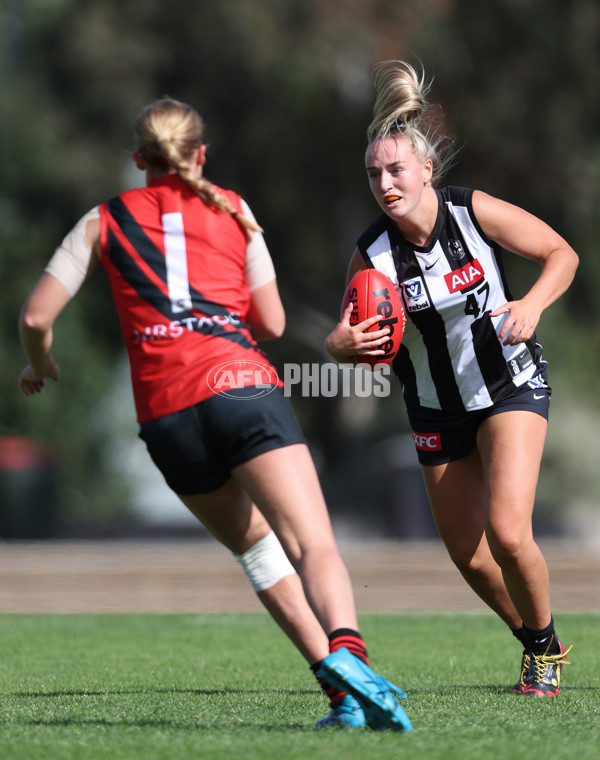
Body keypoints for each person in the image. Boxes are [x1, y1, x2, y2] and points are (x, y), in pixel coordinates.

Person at [18, 98, 413, 731]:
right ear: (200, 154)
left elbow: (37, 317)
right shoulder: (232, 207)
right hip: (239, 386)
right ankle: (349, 652)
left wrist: (40, 366)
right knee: (311, 542)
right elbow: (274, 322)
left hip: (166, 417)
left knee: (259, 553)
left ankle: (341, 700)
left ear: (137, 159)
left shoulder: (103, 219)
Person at [325, 61, 578, 697]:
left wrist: (532, 305)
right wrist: (343, 344)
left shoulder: (473, 214)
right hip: (435, 407)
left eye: (396, 170)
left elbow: (561, 255)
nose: (385, 183)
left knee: (509, 532)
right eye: (374, 174)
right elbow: (346, 338)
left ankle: (544, 652)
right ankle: (538, 641)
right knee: (469, 555)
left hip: (508, 385)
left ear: (426, 170)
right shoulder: (373, 254)